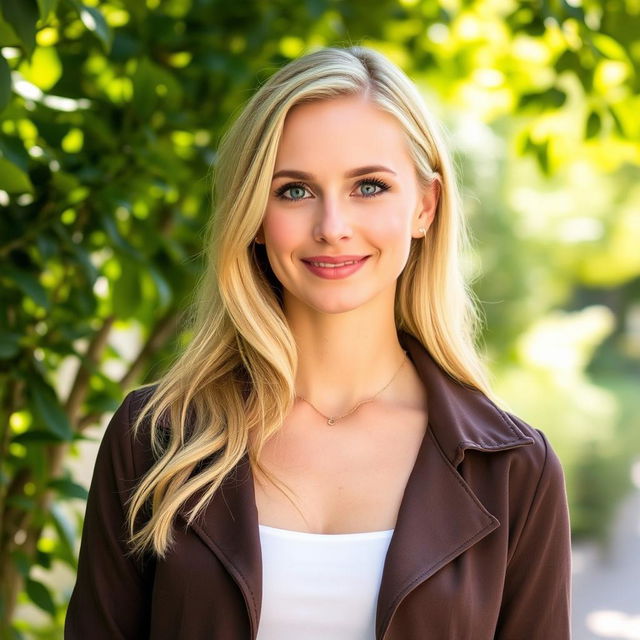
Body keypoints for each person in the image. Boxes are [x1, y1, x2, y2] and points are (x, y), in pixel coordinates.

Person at [64, 46, 571, 639]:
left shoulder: (513, 469)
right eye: (295, 191)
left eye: (370, 186)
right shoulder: (156, 439)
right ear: (253, 212)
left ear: (425, 206)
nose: (333, 226)